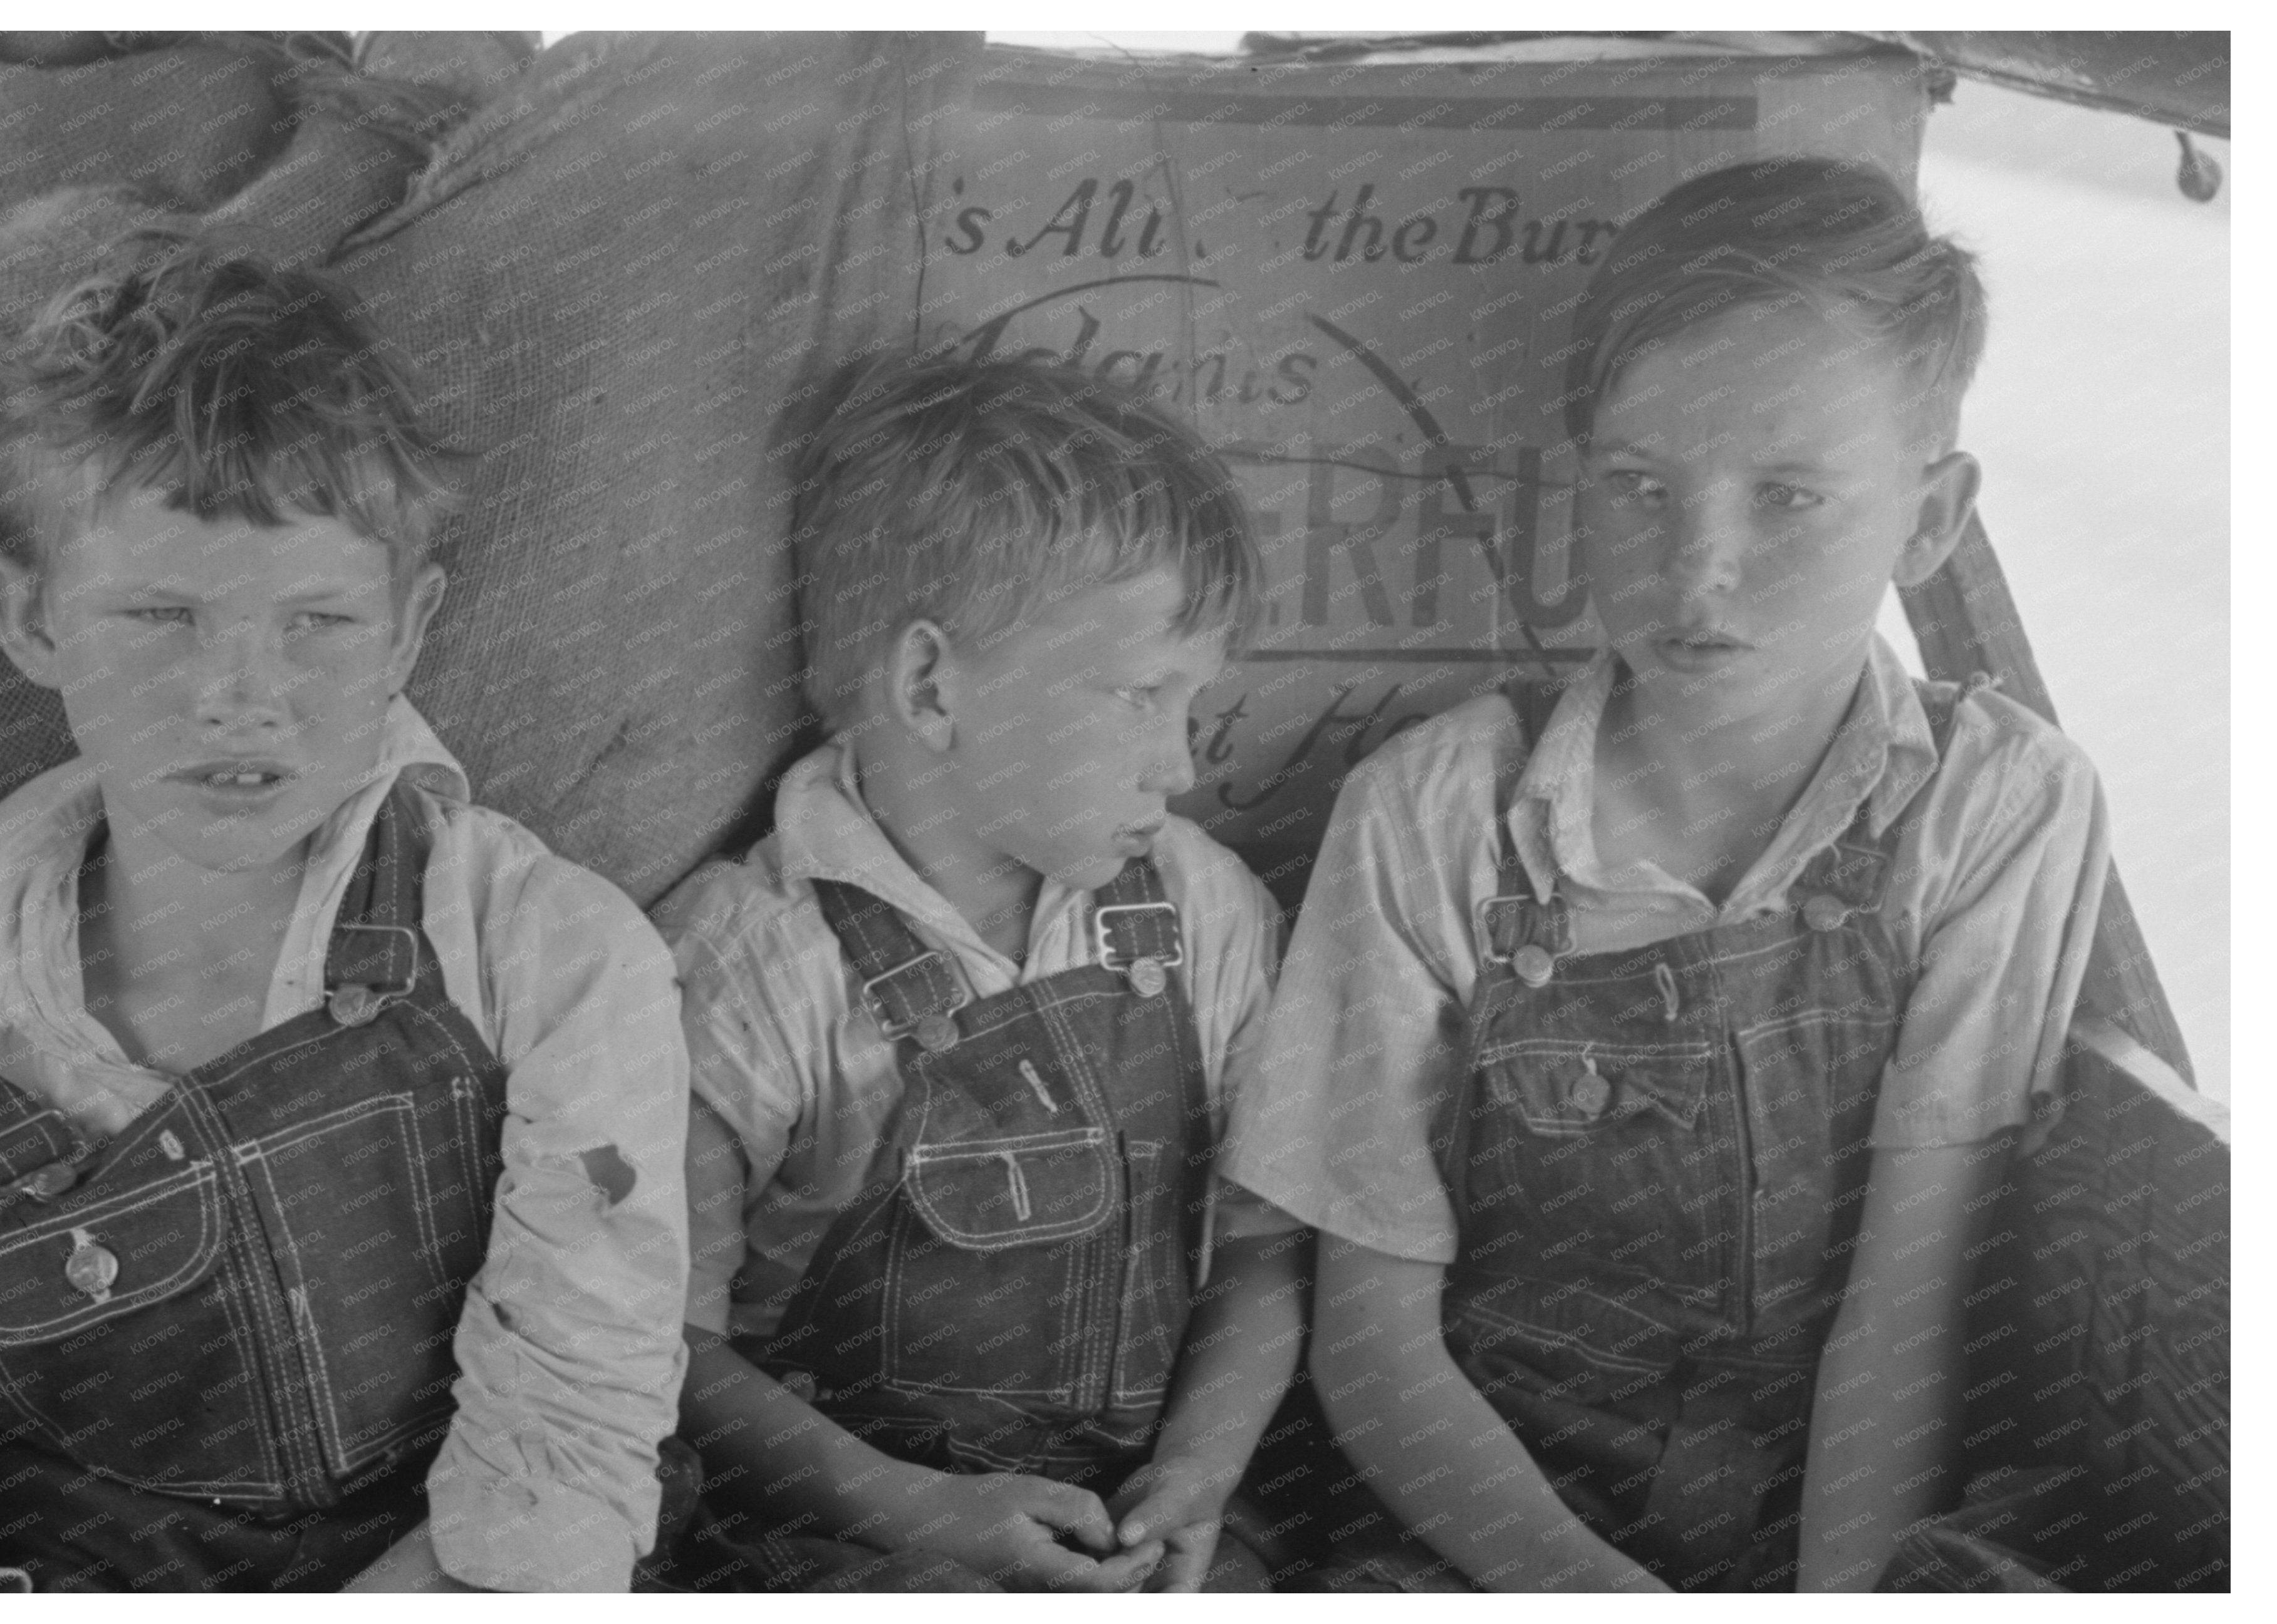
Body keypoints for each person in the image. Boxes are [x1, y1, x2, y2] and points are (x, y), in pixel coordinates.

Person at [1222, 156, 2113, 1592]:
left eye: (1789, 499)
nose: (1697, 571)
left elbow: (1905, 1311)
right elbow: (1372, 1346)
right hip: (1483, 1534)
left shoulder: (1996, 809)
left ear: (1930, 521)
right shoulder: (1437, 811)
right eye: (1640, 487)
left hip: (1839, 1525)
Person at [0, 234, 691, 1593]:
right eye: (159, 616)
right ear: (28, 621)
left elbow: (569, 1427)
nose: (238, 694)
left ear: (409, 629)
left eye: (314, 622)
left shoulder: (551, 953)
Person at [652, 353, 1305, 1592]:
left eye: (1194, 705)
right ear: (930, 686)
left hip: (1134, 1526)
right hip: (845, 1540)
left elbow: (1265, 1254)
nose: (1178, 765)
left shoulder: (1204, 910)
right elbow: (660, 1344)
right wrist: (925, 1517)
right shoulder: (750, 962)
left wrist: (1200, 1473)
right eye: (1138, 696)